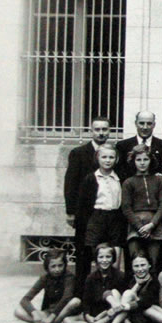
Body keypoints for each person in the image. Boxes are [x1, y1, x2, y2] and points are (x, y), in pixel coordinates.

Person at [64, 116, 111, 295]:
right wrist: (70, 212)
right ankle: (80, 296)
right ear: (91, 131)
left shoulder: (112, 153)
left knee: (105, 254)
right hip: (85, 214)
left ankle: (103, 294)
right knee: (83, 256)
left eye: (104, 129)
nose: (101, 133)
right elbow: (70, 184)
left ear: (109, 131)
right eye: (97, 129)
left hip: (105, 213)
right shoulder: (79, 153)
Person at [75, 143, 125, 290]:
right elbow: (83, 205)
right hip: (96, 218)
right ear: (97, 158)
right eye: (104, 157)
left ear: (116, 159)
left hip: (115, 218)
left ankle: (113, 288)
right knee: (95, 256)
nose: (108, 160)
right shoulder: (90, 178)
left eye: (111, 157)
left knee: (115, 254)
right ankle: (92, 291)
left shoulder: (120, 178)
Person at [61, 244, 126, 323]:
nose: (104, 260)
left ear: (113, 258)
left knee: (113, 315)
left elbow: (120, 302)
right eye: (101, 257)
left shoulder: (119, 276)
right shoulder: (91, 278)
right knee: (67, 320)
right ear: (96, 259)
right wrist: (87, 316)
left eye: (108, 257)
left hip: (108, 314)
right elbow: (86, 301)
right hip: (93, 315)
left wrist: (101, 315)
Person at [120, 144, 162, 274]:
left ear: (151, 160)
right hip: (135, 227)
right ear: (133, 161)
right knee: (136, 262)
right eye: (138, 160)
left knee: (154, 263)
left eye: (145, 159)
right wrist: (139, 226)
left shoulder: (159, 180)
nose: (142, 163)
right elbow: (126, 207)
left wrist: (152, 225)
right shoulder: (128, 182)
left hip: (154, 225)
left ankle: (152, 293)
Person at [96, 251, 158, 323]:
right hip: (127, 318)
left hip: (142, 319)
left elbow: (145, 303)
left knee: (128, 294)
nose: (140, 269)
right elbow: (111, 294)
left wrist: (125, 306)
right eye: (136, 266)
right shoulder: (129, 279)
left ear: (149, 265)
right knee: (114, 292)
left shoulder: (153, 281)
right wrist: (136, 285)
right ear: (132, 267)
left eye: (143, 265)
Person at [15, 249, 78, 323]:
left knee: (75, 301)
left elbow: (66, 298)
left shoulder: (69, 277)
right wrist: (35, 314)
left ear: (65, 265)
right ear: (47, 267)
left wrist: (51, 318)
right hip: (48, 312)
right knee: (18, 311)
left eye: (60, 265)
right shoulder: (44, 278)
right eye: (53, 266)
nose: (57, 269)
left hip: (63, 313)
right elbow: (25, 299)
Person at [115, 111, 162, 181]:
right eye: (141, 123)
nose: (145, 127)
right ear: (136, 123)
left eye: (149, 123)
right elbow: (120, 172)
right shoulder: (122, 146)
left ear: (154, 125)